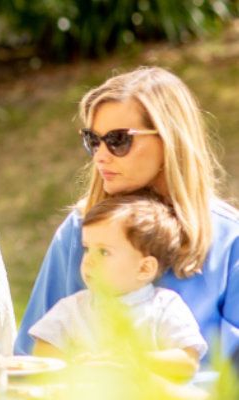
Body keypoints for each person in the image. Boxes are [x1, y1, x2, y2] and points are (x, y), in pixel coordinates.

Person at [16, 67, 239, 371]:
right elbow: (31, 360)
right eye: (93, 140)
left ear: (170, 139)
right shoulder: (79, 231)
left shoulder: (230, 241)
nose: (100, 156)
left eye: (118, 140)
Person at [29, 192, 207, 383]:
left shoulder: (163, 305)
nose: (88, 260)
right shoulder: (73, 307)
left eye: (104, 252)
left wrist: (136, 360)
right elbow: (43, 348)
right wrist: (72, 368)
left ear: (144, 268)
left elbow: (188, 361)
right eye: (87, 248)